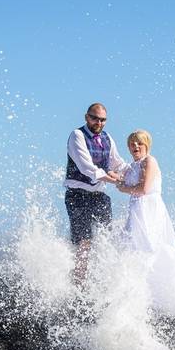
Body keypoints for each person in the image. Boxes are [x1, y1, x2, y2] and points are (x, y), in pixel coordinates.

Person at [116, 130, 175, 306]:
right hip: (136, 210)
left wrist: (123, 189)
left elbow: (144, 189)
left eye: (139, 143)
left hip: (149, 209)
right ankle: (134, 295)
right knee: (131, 249)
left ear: (147, 145)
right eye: (132, 143)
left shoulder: (149, 161)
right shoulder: (133, 165)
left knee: (149, 248)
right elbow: (122, 180)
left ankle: (158, 298)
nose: (135, 146)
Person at [64, 103, 127, 285]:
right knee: (83, 241)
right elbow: (87, 168)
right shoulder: (77, 135)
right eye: (94, 118)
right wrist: (114, 180)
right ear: (86, 117)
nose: (98, 122)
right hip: (77, 195)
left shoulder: (107, 138)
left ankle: (99, 282)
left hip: (99, 196)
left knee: (105, 240)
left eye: (102, 120)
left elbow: (118, 163)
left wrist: (136, 171)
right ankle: (78, 283)